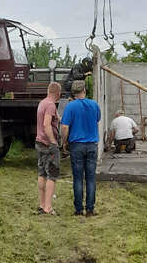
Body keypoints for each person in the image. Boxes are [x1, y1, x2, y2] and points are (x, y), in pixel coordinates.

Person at [61, 79, 101, 217]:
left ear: (73, 93)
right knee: (90, 178)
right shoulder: (94, 105)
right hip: (91, 145)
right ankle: (90, 209)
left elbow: (65, 127)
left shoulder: (70, 107)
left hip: (76, 146)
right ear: (84, 90)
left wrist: (63, 142)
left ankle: (78, 209)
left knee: (78, 178)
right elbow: (97, 119)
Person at [35, 81, 61, 215]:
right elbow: (46, 124)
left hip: (39, 142)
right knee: (52, 174)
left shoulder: (42, 103)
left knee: (42, 173)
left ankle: (42, 204)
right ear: (58, 93)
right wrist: (53, 142)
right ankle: (48, 207)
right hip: (47, 144)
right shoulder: (51, 105)